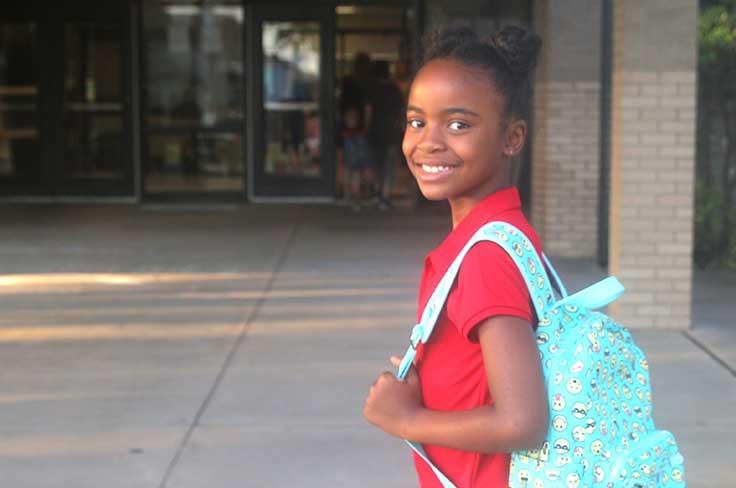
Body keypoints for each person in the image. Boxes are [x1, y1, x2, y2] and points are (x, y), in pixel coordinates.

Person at [363, 24, 548, 488]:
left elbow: (522, 422)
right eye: (416, 121)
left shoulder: (486, 257)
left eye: (459, 124)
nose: (428, 141)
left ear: (512, 137)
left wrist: (405, 419)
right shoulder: (496, 234)